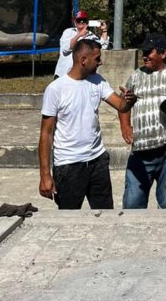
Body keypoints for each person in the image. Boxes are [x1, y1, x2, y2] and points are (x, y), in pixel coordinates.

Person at [39, 38, 136, 209]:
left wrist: (129, 100)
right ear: (83, 60)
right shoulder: (56, 89)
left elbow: (120, 105)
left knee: (105, 215)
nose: (101, 62)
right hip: (68, 165)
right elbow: (46, 134)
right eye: (97, 58)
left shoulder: (98, 81)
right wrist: (45, 175)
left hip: (97, 161)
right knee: (68, 219)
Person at [120, 33, 166, 210]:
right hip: (141, 149)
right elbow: (123, 104)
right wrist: (125, 125)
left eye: (149, 52)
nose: (145, 56)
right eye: (143, 52)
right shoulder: (136, 76)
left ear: (162, 53)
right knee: (132, 203)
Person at [53, 10, 92, 79]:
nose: (81, 22)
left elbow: (102, 48)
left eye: (84, 20)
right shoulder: (68, 32)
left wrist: (104, 31)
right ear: (75, 22)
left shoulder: (92, 36)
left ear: (87, 22)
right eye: (79, 20)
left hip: (80, 75)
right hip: (63, 74)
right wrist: (79, 35)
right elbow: (66, 49)